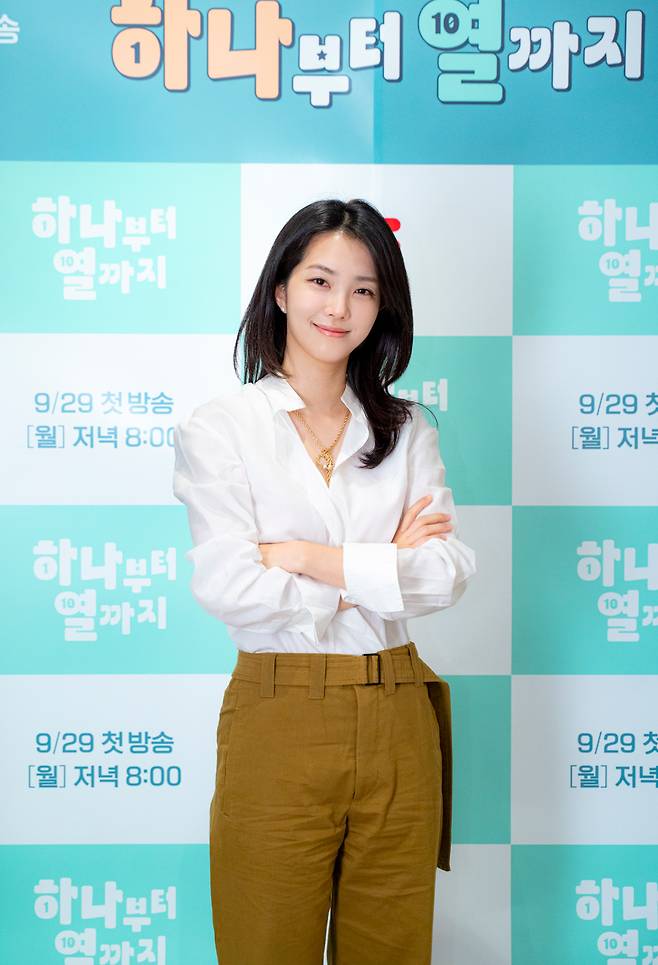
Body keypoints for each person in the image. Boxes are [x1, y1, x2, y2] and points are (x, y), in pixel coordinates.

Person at [172, 198, 477, 965]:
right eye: (320, 281)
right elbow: (230, 584)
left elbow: (445, 572)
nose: (339, 307)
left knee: (391, 950)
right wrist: (381, 565)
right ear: (281, 289)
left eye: (364, 289)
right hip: (280, 712)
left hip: (399, 710)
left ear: (383, 307)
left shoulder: (408, 429)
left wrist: (307, 557)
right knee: (265, 944)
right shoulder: (223, 426)